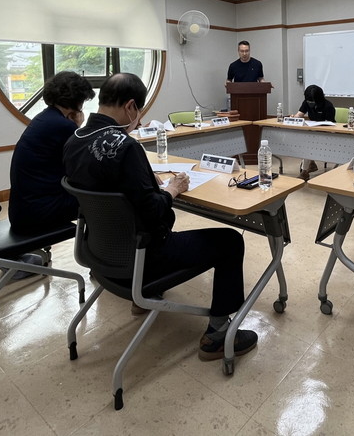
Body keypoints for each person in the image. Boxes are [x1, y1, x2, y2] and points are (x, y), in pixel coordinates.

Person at [63, 73, 258, 361]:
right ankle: (219, 334)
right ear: (131, 107)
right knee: (230, 241)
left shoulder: (74, 140)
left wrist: (144, 181)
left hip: (100, 254)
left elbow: (107, 189)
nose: (139, 119)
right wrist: (173, 190)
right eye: (139, 112)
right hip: (142, 258)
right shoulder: (126, 146)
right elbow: (154, 212)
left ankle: (141, 302)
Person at [9, 71, 95, 234]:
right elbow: (85, 163)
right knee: (102, 199)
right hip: (40, 211)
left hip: (23, 209)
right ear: (78, 101)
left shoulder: (44, 118)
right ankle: (102, 246)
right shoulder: (63, 125)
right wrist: (77, 125)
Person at [294, 85, 336, 181]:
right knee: (303, 140)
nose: (310, 103)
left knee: (308, 144)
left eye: (312, 101)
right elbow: (300, 114)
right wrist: (294, 117)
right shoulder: (306, 102)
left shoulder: (328, 106)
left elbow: (331, 125)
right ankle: (311, 163)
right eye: (309, 101)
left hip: (326, 134)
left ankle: (304, 172)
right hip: (313, 132)